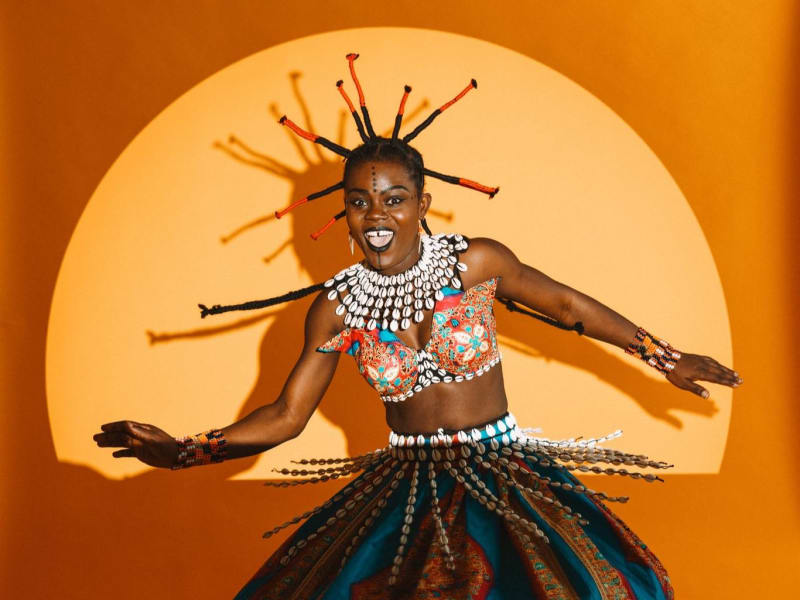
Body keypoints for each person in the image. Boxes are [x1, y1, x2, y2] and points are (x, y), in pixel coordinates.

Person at [93, 54, 741, 599]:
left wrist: (665, 356)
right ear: (343, 211)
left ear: (422, 204)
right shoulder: (338, 306)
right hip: (407, 489)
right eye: (359, 201)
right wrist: (182, 452)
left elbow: (569, 307)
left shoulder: (475, 263)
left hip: (505, 477)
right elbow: (287, 416)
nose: (376, 214)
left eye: (394, 199)